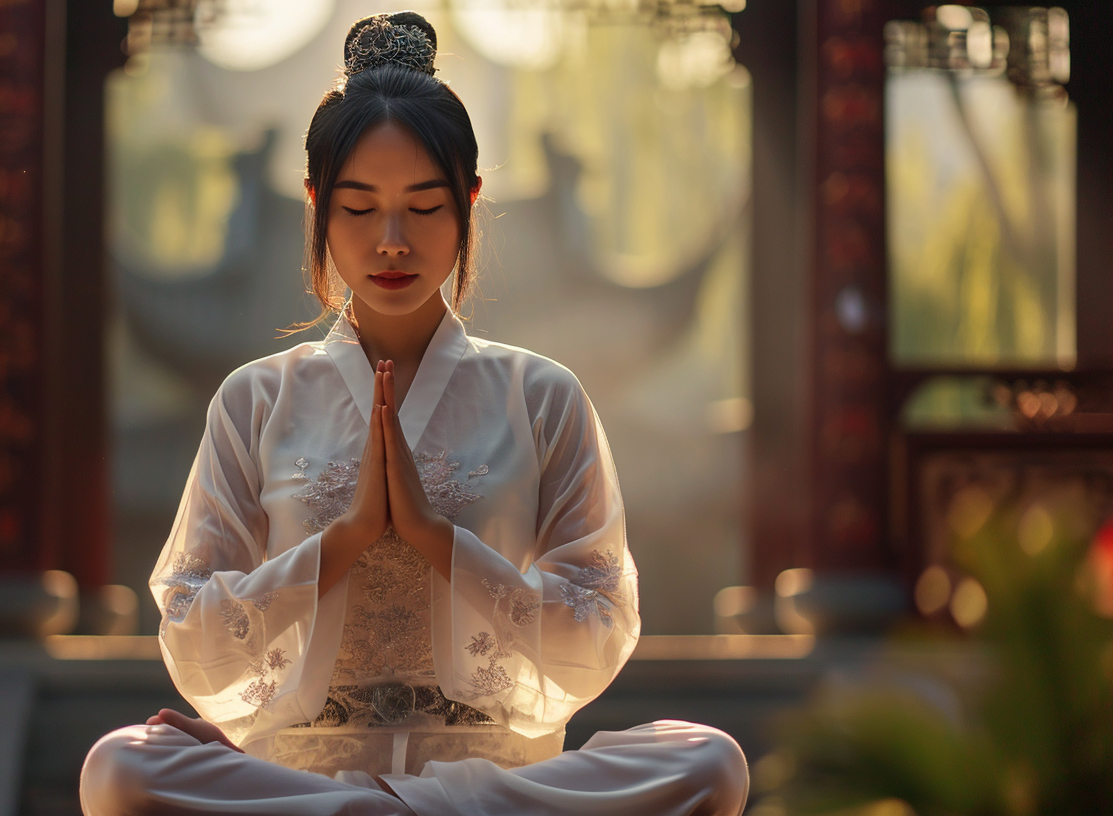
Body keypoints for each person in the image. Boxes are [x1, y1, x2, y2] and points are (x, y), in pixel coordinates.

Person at [80, 11, 748, 815]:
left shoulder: (543, 397)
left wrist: (439, 540)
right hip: (306, 776)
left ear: (469, 201)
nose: (391, 241)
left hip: (494, 777)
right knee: (119, 767)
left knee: (708, 759)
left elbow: (599, 626)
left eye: (423, 207)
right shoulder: (254, 400)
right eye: (359, 208)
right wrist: (345, 541)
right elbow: (189, 631)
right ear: (316, 204)